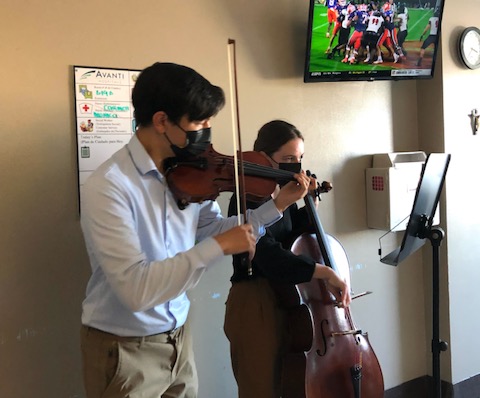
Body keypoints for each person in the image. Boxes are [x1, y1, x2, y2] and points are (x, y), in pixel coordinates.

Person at [79, 63, 310, 398]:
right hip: (125, 350)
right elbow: (136, 290)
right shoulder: (110, 186)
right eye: (199, 122)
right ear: (162, 121)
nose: (206, 132)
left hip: (178, 336)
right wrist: (218, 245)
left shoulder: (189, 174)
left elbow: (213, 227)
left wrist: (278, 205)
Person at [224, 120, 351, 398]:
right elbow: (269, 255)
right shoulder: (246, 198)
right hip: (256, 300)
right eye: (288, 159)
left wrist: (309, 207)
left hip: (292, 299)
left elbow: (295, 241)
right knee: (261, 388)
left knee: (293, 383)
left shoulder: (285, 192)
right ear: (263, 158)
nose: (296, 167)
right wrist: (325, 273)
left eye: (300, 159)